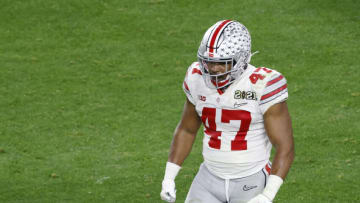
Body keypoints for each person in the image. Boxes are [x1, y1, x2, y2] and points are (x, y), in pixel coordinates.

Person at [160, 19, 294, 203]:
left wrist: (267, 195)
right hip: (208, 177)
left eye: (222, 63)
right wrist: (168, 177)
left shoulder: (262, 84)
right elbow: (187, 129)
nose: (213, 69)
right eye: (208, 62)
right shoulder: (196, 77)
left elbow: (285, 147)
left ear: (242, 59)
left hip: (251, 179)